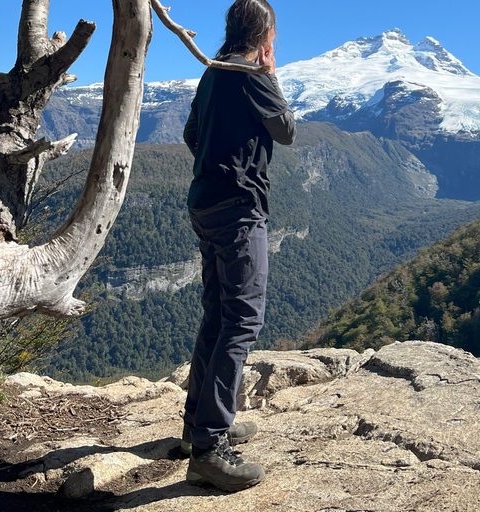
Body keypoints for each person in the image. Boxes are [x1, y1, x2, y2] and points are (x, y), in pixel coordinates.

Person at [180, 0, 296, 493]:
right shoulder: (252, 76)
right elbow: (286, 131)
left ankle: (199, 426)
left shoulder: (212, 73)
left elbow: (191, 133)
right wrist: (272, 76)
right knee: (243, 320)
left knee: (217, 313)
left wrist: (218, 162)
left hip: (205, 203)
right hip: (239, 209)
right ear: (265, 36)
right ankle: (209, 449)